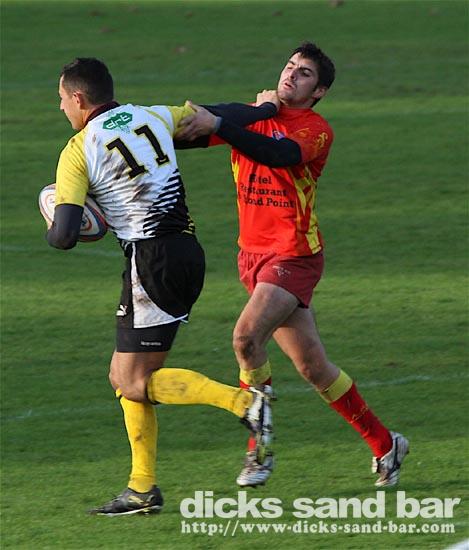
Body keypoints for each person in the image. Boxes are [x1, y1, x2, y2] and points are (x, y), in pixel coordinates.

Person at [46, 57, 279, 516]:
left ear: (78, 98)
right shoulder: (152, 114)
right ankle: (141, 487)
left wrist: (53, 214)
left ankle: (244, 403)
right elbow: (214, 115)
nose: (60, 108)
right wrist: (265, 109)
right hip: (187, 253)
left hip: (150, 265)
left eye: (61, 100)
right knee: (123, 376)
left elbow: (65, 237)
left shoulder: (78, 150)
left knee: (132, 380)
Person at [175, 41, 409, 488]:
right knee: (313, 367)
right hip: (252, 255)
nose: (291, 75)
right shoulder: (252, 115)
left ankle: (258, 451)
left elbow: (278, 155)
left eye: (304, 73)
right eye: (289, 66)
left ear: (318, 92)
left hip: (293, 255)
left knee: (246, 339)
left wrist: (232, 122)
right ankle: (386, 444)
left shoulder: (315, 129)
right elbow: (189, 132)